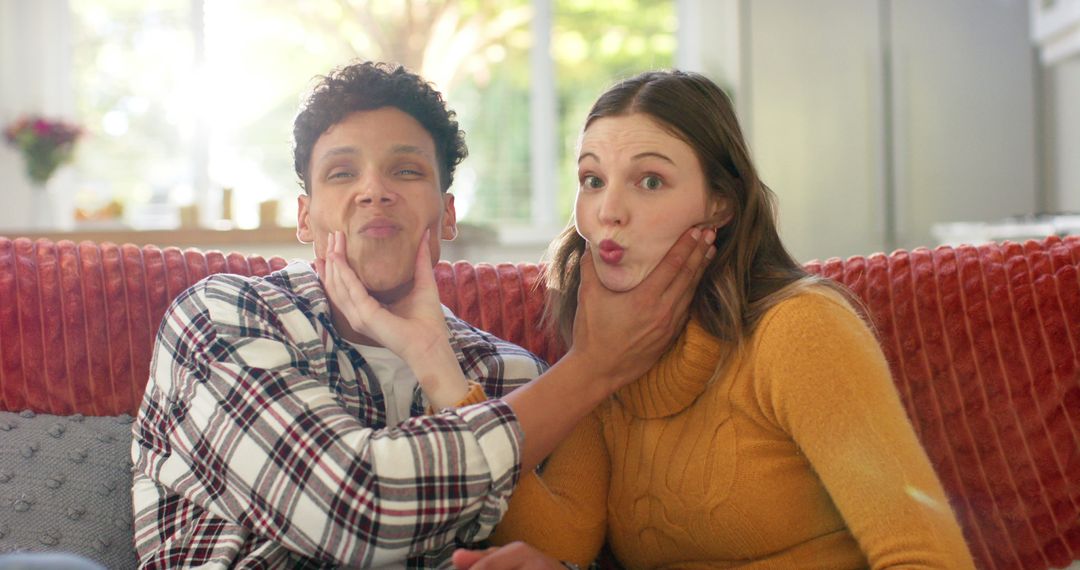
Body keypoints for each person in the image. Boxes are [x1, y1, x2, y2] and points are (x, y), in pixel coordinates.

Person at [130, 62, 717, 568]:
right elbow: (351, 510)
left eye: (406, 171)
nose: (374, 191)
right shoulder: (223, 316)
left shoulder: (509, 378)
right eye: (342, 172)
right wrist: (592, 368)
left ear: (448, 215)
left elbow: (572, 542)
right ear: (306, 220)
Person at [453, 70, 976, 569]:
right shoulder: (608, 351)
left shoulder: (799, 328)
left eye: (651, 180)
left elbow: (928, 559)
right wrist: (440, 368)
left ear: (720, 204)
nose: (608, 210)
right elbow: (563, 539)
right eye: (592, 179)